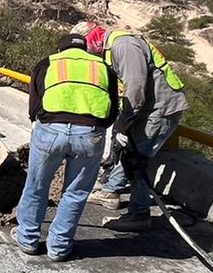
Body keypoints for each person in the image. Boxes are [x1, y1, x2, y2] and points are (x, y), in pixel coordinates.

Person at [11, 28, 119, 261]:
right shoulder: (102, 67)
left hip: (51, 131)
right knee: (76, 192)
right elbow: (113, 109)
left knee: (36, 186)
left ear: (61, 49)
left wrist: (42, 124)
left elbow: (34, 105)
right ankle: (58, 248)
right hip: (90, 135)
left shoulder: (48, 63)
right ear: (86, 49)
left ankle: (28, 239)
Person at [81, 21, 189, 232]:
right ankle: (111, 191)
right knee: (129, 153)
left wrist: (124, 123)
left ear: (93, 38)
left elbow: (135, 86)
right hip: (149, 108)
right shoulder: (114, 47)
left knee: (138, 161)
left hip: (159, 109)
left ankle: (139, 214)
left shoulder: (124, 46)